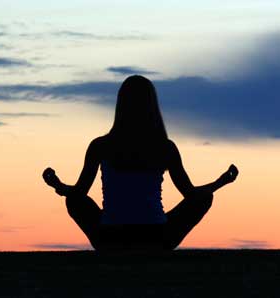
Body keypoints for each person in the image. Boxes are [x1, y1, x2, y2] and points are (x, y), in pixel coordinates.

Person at [42, 75, 239, 251]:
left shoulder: (100, 145)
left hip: (110, 238)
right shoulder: (165, 147)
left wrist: (58, 185)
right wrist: (220, 183)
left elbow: (78, 194)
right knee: (204, 197)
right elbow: (191, 194)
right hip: (157, 238)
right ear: (152, 106)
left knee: (74, 200)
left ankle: (115, 248)